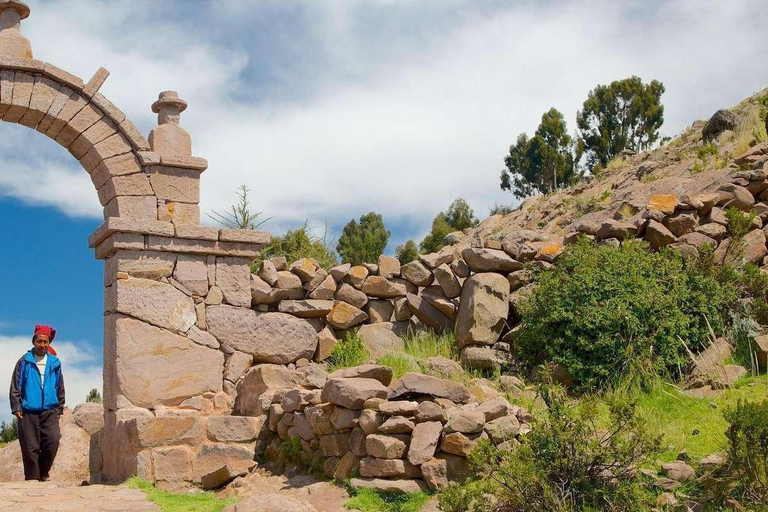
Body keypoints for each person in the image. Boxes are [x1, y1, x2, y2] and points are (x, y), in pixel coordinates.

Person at [9, 325, 65, 481]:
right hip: (28, 410)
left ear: (49, 343)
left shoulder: (55, 363)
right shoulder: (24, 361)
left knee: (53, 441)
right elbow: (16, 385)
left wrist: (59, 407)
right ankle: (33, 479)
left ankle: (43, 473)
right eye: (39, 341)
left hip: (50, 410)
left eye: (45, 342)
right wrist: (16, 406)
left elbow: (60, 386)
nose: (42, 345)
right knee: (30, 447)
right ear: (33, 342)